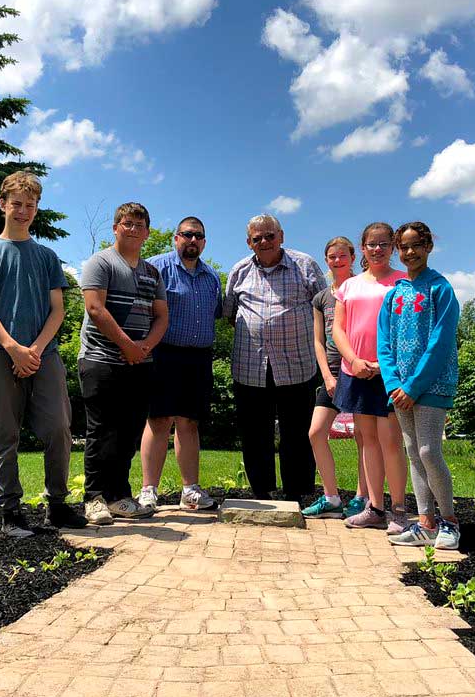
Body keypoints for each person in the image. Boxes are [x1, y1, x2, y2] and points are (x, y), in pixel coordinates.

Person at [0, 171, 85, 535]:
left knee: (58, 428)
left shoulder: (47, 257)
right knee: (5, 435)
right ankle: (11, 513)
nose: (23, 211)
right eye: (16, 204)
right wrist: (13, 348)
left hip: (44, 355)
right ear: (2, 204)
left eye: (30, 205)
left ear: (37, 209)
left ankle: (58, 506)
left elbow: (58, 310)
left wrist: (33, 350)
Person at [224, 214, 327, 504]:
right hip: (251, 365)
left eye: (269, 236)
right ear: (249, 242)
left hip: (297, 363)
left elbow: (324, 308)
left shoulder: (304, 264)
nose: (264, 242)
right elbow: (231, 312)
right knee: (255, 432)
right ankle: (261, 490)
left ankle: (299, 491)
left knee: (298, 431)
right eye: (257, 238)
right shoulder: (240, 270)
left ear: (281, 235)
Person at [78, 202, 169, 525]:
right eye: (127, 223)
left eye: (139, 225)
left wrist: (143, 347)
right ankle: (94, 498)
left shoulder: (151, 272)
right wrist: (127, 346)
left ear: (147, 233)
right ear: (115, 227)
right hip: (100, 360)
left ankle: (118, 496)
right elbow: (95, 309)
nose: (132, 229)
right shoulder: (100, 263)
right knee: (101, 431)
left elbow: (161, 316)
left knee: (129, 432)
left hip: (140, 364)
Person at [381, 221, 462, 550]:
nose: (410, 252)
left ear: (428, 247)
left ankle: (450, 522)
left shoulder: (440, 289)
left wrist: (414, 386)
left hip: (432, 384)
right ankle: (425, 523)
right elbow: (384, 342)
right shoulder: (394, 294)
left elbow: (441, 342)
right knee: (413, 452)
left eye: (416, 245)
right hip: (400, 389)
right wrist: (393, 383)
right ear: (397, 251)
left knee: (429, 450)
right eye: (404, 247)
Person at [139, 217, 222, 511]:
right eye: (187, 235)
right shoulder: (155, 267)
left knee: (189, 422)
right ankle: (148, 490)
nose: (193, 240)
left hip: (198, 358)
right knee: (158, 421)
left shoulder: (211, 277)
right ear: (176, 238)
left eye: (199, 236)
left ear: (204, 241)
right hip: (163, 354)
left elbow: (216, 314)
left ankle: (190, 490)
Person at [332, 223, 410, 531]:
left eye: (383, 244)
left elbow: (409, 330)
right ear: (362, 248)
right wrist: (352, 359)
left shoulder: (403, 283)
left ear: (392, 248)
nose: (377, 249)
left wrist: (384, 365)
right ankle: (375, 508)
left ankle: (400, 509)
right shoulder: (349, 286)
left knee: (390, 441)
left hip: (389, 373)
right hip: (356, 371)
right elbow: (338, 328)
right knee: (367, 442)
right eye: (371, 244)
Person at [303, 237, 370, 519]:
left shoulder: (364, 287)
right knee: (316, 432)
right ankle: (331, 497)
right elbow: (318, 341)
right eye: (332, 256)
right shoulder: (320, 297)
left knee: (365, 438)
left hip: (359, 369)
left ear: (353, 257)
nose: (337, 260)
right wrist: (327, 376)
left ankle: (362, 497)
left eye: (342, 255)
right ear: (326, 260)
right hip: (332, 371)